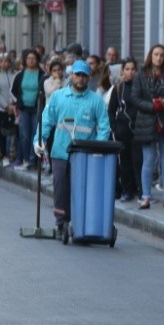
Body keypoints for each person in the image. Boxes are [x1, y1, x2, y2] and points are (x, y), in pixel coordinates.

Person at [33, 60, 111, 235]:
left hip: (85, 155)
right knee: (61, 188)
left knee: (83, 190)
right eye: (77, 75)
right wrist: (38, 140)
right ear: (71, 75)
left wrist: (98, 148)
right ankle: (61, 222)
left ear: (88, 77)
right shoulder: (58, 97)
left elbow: (104, 126)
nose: (80, 79)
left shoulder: (96, 101)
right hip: (61, 152)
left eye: (84, 75)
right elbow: (46, 121)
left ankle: (82, 222)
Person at [130, 44, 164, 209]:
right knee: (148, 160)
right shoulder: (141, 74)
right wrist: (152, 105)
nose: (159, 58)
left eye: (162, 55)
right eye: (156, 54)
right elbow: (134, 97)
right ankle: (146, 196)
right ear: (150, 56)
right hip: (146, 121)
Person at [108, 58, 139, 203]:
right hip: (122, 130)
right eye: (127, 69)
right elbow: (111, 110)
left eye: (133, 69)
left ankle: (139, 189)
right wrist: (114, 128)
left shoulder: (140, 87)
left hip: (138, 131)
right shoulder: (118, 88)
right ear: (122, 72)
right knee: (125, 162)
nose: (130, 72)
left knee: (138, 161)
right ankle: (127, 190)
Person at [11, 50, 47, 170]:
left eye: (33, 58)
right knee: (24, 135)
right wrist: (19, 101)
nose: (31, 61)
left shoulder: (42, 74)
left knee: (35, 134)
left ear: (37, 60)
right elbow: (14, 90)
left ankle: (33, 159)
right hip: (24, 108)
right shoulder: (20, 75)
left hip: (37, 108)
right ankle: (26, 158)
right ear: (25, 61)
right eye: (28, 59)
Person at [0, 54, 17, 167]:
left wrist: (13, 104)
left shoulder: (15, 75)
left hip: (13, 107)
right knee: (2, 133)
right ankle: (4, 154)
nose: (4, 64)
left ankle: (13, 154)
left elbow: (16, 89)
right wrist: (6, 106)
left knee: (13, 132)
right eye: (1, 61)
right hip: (0, 108)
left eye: (6, 61)